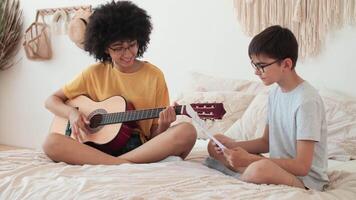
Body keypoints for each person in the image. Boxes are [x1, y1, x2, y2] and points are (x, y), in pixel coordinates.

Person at [43, 1, 197, 165]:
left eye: (132, 45)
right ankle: (120, 164)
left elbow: (153, 138)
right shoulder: (94, 73)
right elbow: (51, 101)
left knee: (187, 131)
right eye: (118, 48)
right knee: (51, 142)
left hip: (138, 148)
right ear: (105, 49)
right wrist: (71, 114)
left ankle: (114, 163)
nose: (127, 54)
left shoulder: (154, 76)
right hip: (93, 146)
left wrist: (163, 126)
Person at [207, 25, 329, 191]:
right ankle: (244, 169)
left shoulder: (307, 101)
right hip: (277, 168)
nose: (257, 72)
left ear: (286, 64)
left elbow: (302, 167)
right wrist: (232, 143)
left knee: (259, 169)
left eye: (261, 66)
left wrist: (249, 159)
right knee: (216, 144)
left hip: (305, 180)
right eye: (254, 65)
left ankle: (243, 171)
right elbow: (266, 142)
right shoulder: (275, 93)